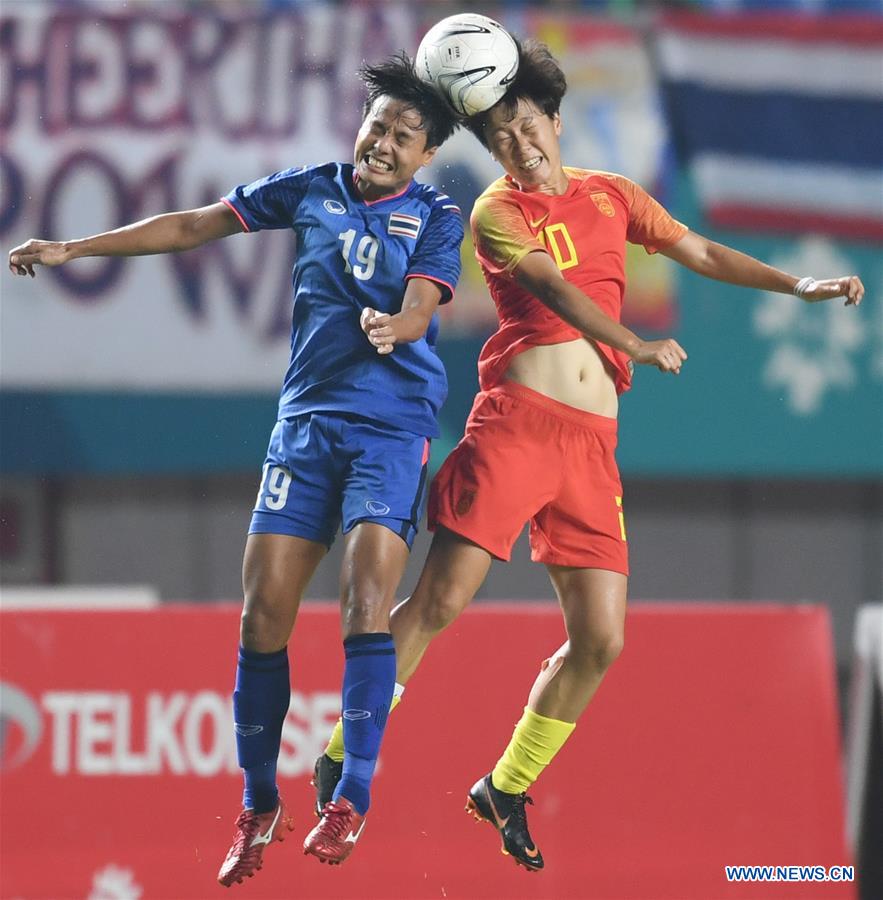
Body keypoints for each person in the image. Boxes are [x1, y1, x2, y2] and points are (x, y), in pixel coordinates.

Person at [317, 39, 865, 872]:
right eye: (499, 140)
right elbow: (556, 292)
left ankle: (504, 785)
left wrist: (799, 285)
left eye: (528, 128)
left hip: (590, 450)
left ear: (555, 122)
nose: (518, 147)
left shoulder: (613, 197)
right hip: (516, 426)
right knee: (439, 602)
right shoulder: (495, 212)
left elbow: (703, 253)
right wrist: (631, 342)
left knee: (602, 640)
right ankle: (339, 752)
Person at [8, 54, 462, 881]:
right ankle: (259, 804)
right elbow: (192, 225)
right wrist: (75, 247)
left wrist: (400, 326)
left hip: (390, 430)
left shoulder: (435, 213)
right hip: (305, 426)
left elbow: (425, 301)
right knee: (261, 619)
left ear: (426, 153)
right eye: (378, 125)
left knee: (366, 597)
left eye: (404, 134)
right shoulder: (311, 187)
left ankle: (351, 794)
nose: (384, 142)